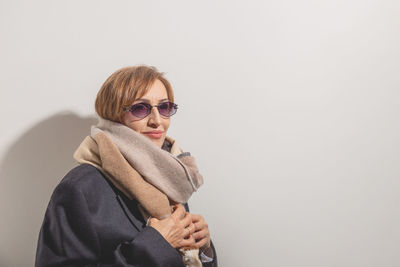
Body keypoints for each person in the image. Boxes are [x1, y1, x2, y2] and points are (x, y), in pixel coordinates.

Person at [35, 65, 217, 267]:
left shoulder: (168, 176)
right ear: (114, 115)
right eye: (141, 108)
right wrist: (155, 245)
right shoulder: (79, 189)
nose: (157, 121)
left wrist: (203, 250)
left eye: (164, 107)